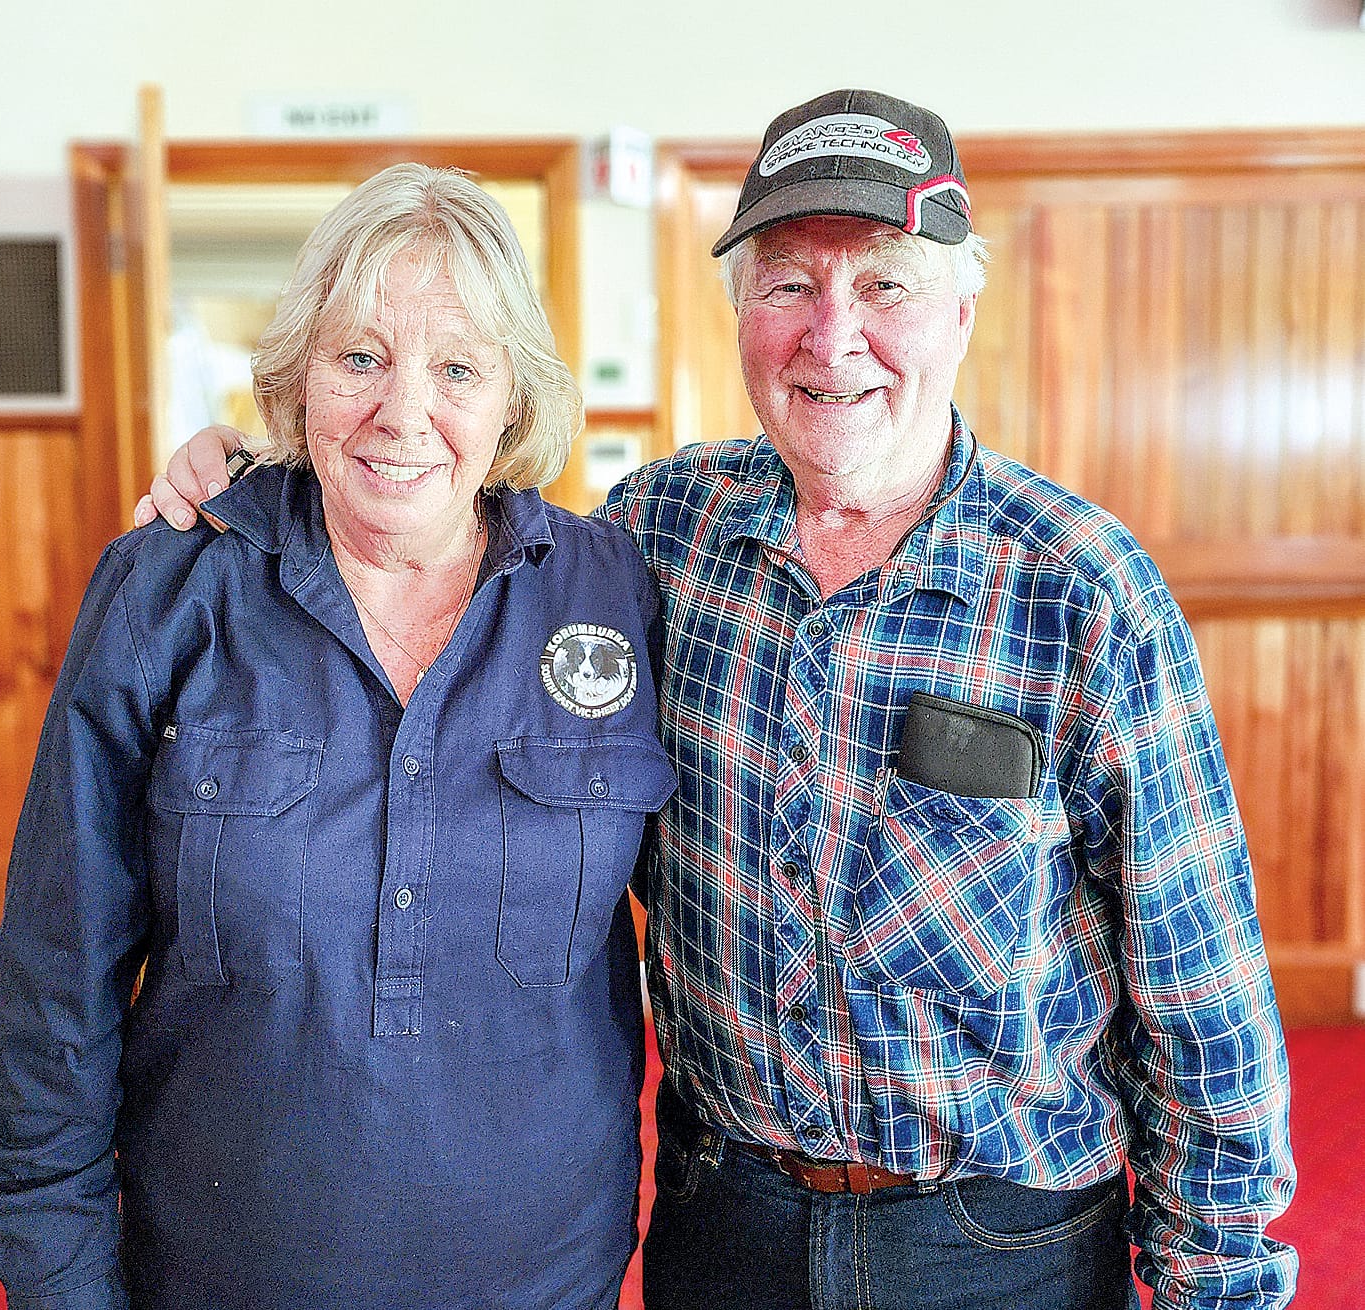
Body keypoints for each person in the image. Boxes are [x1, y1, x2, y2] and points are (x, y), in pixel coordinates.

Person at [143, 91, 1298, 1310]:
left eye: (887, 286)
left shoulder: (1083, 593)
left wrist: (1219, 1285)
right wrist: (259, 466)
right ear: (741, 313)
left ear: (961, 313)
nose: (833, 335)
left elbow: (1203, 1006)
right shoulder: (651, 540)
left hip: (999, 1247)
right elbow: (436, 520)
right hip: (721, 1231)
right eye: (789, 283)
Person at [0, 163, 678, 1310]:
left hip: (547, 1278)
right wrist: (65, 1277)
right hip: (215, 1274)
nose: (402, 412)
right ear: (295, 378)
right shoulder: (173, 583)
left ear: (513, 402)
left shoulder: (613, 588)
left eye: (458, 368)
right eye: (360, 357)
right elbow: (53, 981)